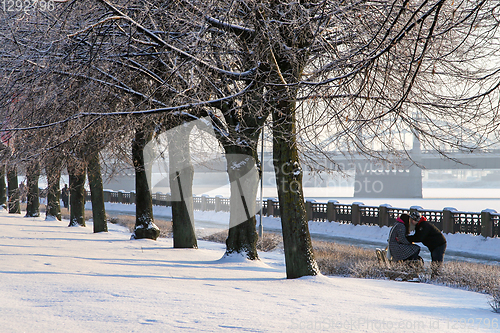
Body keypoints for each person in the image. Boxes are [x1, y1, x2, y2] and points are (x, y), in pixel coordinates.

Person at [407, 211, 447, 277]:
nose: (411, 221)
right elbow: (417, 236)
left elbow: (419, 238)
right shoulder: (419, 225)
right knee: (434, 261)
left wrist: (407, 238)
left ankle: (437, 277)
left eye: (412, 219)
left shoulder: (424, 225)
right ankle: (435, 276)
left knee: (437, 262)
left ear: (416, 219)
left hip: (439, 245)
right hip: (434, 246)